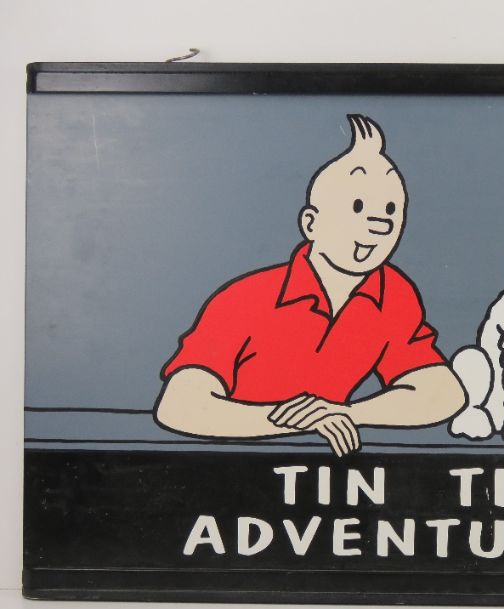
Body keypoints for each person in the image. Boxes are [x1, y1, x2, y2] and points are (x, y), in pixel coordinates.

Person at [154, 114, 467, 456]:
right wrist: (298, 421)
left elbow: (442, 391)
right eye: (358, 206)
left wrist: (346, 413)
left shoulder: (392, 292)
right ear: (310, 223)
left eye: (391, 210)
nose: (380, 224)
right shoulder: (247, 297)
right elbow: (178, 406)